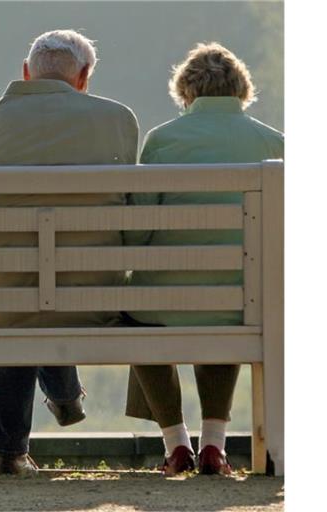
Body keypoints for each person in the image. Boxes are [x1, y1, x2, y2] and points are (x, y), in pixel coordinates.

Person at [0, 30, 139, 475]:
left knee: (12, 288)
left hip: (0, 295)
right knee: (55, 274)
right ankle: (64, 391)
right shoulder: (118, 119)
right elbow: (129, 206)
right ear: (84, 76)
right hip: (91, 297)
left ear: (25, 72)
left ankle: (10, 452)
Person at [124, 42, 284, 476]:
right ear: (241, 90)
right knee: (231, 299)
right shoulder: (274, 143)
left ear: (186, 92)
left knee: (135, 316)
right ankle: (214, 446)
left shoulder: (162, 140)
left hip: (165, 304)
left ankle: (176, 444)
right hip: (244, 302)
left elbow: (137, 233)